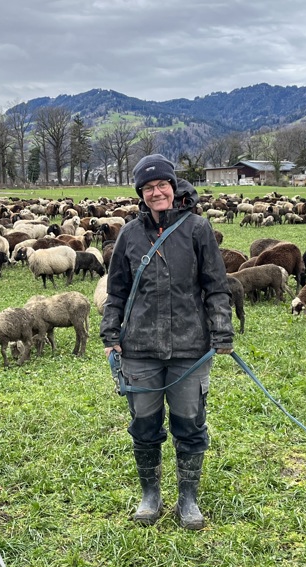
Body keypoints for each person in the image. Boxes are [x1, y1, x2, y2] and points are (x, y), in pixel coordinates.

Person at [100, 154, 234, 529]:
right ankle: (151, 494)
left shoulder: (197, 229)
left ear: (173, 188)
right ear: (140, 194)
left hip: (190, 347)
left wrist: (221, 331)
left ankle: (188, 497)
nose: (156, 192)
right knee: (144, 424)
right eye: (148, 187)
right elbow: (117, 291)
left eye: (162, 185)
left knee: (190, 423)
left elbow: (216, 287)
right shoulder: (129, 234)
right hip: (139, 347)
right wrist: (111, 334)